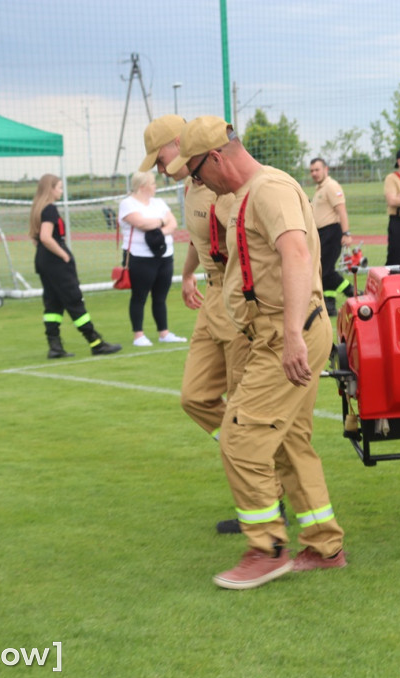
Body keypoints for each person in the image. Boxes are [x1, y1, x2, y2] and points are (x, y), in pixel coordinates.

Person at [166, 116, 345, 589]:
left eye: (198, 170)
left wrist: (290, 335)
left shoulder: (268, 190)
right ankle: (325, 546)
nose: (196, 180)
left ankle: (266, 548)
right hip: (271, 334)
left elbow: (298, 257)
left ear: (218, 158)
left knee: (241, 437)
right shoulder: (242, 196)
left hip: (289, 334)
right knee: (289, 441)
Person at [139, 114, 259, 535]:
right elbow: (201, 238)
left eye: (160, 156)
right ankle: (247, 457)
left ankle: (265, 501)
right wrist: (188, 274)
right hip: (211, 300)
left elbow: (246, 243)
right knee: (195, 397)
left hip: (237, 300)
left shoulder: (221, 183)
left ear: (179, 142)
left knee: (247, 410)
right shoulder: (192, 185)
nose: (157, 167)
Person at [28, 174, 121, 358]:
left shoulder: (37, 209)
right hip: (56, 263)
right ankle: (95, 342)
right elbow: (46, 237)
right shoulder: (50, 209)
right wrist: (64, 255)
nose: (61, 191)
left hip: (43, 261)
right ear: (51, 189)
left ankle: (55, 346)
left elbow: (34, 238)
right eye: (59, 188)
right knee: (74, 300)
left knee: (53, 303)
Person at [118, 170, 186, 347]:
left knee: (160, 297)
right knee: (139, 296)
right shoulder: (127, 204)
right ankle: (138, 335)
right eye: (153, 184)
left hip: (164, 256)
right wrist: (161, 221)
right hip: (139, 257)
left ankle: (164, 333)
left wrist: (159, 232)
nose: (156, 187)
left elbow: (173, 223)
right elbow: (141, 223)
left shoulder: (159, 202)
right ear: (143, 187)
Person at [309, 157, 355, 316]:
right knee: (324, 270)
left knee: (326, 271)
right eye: (312, 170)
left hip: (332, 232)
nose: (314, 173)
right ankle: (330, 305)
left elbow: (341, 210)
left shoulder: (331, 186)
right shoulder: (319, 189)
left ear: (326, 169)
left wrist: (346, 233)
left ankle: (353, 291)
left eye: (317, 169)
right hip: (322, 233)